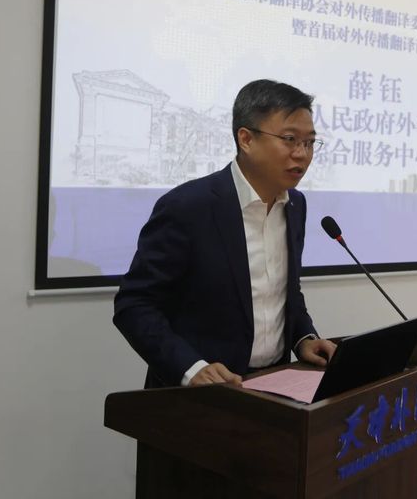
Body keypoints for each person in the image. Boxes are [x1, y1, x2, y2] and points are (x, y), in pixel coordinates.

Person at [113, 79, 336, 388]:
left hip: (273, 385)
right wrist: (190, 368)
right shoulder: (188, 207)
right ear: (246, 139)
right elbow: (135, 304)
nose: (302, 153)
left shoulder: (295, 205)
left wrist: (303, 338)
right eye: (289, 139)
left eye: (309, 142)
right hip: (200, 397)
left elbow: (284, 292)